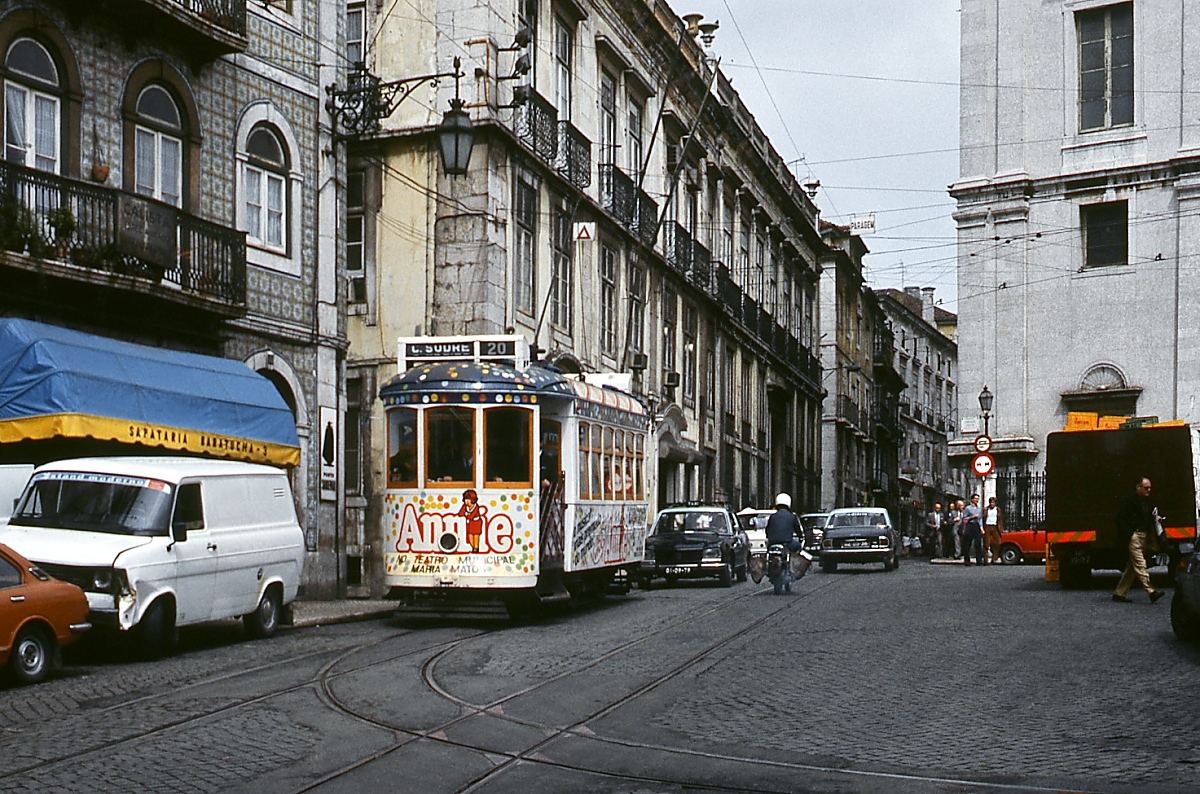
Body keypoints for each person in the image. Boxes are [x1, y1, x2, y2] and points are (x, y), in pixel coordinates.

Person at [1113, 476, 1166, 603]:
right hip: (1135, 536)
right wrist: (1130, 534)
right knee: (1140, 564)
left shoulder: (1146, 501)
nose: (1149, 490)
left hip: (1143, 535)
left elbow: (1148, 515)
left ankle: (1119, 593)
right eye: (1146, 488)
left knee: (1132, 567)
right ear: (1138, 487)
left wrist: (1156, 517)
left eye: (1150, 488)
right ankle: (1151, 591)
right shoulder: (1128, 501)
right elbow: (1119, 518)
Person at [765, 493, 803, 594]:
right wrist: (800, 537)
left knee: (768, 553)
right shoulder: (792, 517)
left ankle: (770, 569)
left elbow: (767, 530)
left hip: (773, 543)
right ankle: (792, 567)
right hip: (787, 543)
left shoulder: (772, 516)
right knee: (798, 547)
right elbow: (798, 530)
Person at [961, 493, 984, 566]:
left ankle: (979, 560)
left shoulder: (979, 509)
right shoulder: (968, 508)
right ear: (972, 499)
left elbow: (980, 519)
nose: (977, 500)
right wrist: (972, 517)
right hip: (969, 525)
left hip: (976, 526)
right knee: (968, 543)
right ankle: (967, 561)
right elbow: (964, 518)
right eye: (975, 498)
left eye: (978, 498)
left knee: (978, 543)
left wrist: (981, 528)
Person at [982, 496, 1005, 564]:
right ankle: (985, 559)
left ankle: (994, 558)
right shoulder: (985, 509)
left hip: (995, 526)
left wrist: (1001, 528)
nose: (992, 504)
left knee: (997, 543)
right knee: (986, 543)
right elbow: (983, 518)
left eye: (993, 502)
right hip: (987, 526)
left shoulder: (998, 509)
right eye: (991, 502)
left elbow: (1000, 519)